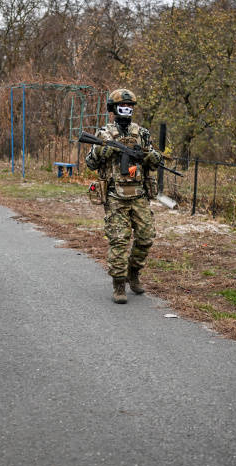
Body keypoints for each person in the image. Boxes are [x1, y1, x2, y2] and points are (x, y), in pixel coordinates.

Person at [85, 88, 163, 304]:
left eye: (129, 106)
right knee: (119, 241)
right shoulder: (103, 134)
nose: (126, 108)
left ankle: (133, 272)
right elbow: (90, 164)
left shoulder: (142, 133)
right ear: (114, 108)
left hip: (139, 194)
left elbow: (151, 160)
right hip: (115, 195)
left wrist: (153, 158)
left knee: (146, 238)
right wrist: (99, 152)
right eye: (122, 105)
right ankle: (119, 284)